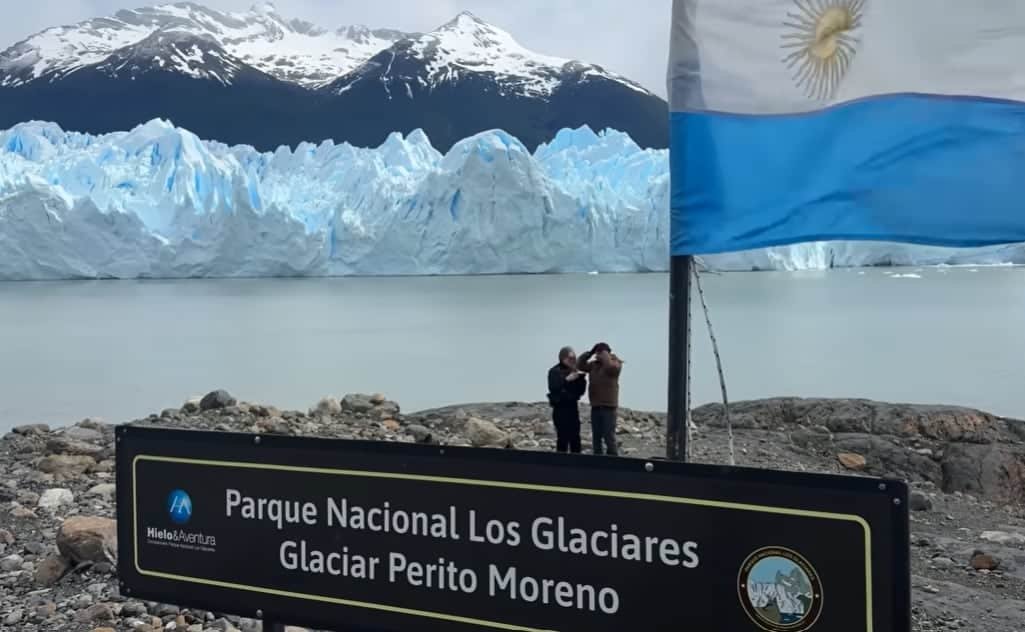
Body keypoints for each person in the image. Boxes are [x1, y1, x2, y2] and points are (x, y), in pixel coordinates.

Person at [577, 342, 623, 456]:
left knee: (609, 436)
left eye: (600, 352)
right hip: (596, 406)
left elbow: (611, 368)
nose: (598, 355)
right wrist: (589, 353)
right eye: (597, 352)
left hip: (609, 407)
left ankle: (613, 459)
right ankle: (598, 460)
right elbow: (580, 365)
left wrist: (606, 356)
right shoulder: (593, 365)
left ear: (607, 353)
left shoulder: (615, 363)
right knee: (596, 436)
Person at [547, 346, 587, 453]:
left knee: (575, 439)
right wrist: (567, 380)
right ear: (562, 358)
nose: (572, 361)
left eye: (574, 358)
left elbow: (580, 391)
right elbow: (554, 388)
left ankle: (577, 466)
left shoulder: (575, 372)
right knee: (562, 439)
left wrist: (581, 379)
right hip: (560, 409)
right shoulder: (554, 371)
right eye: (570, 358)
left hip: (572, 409)